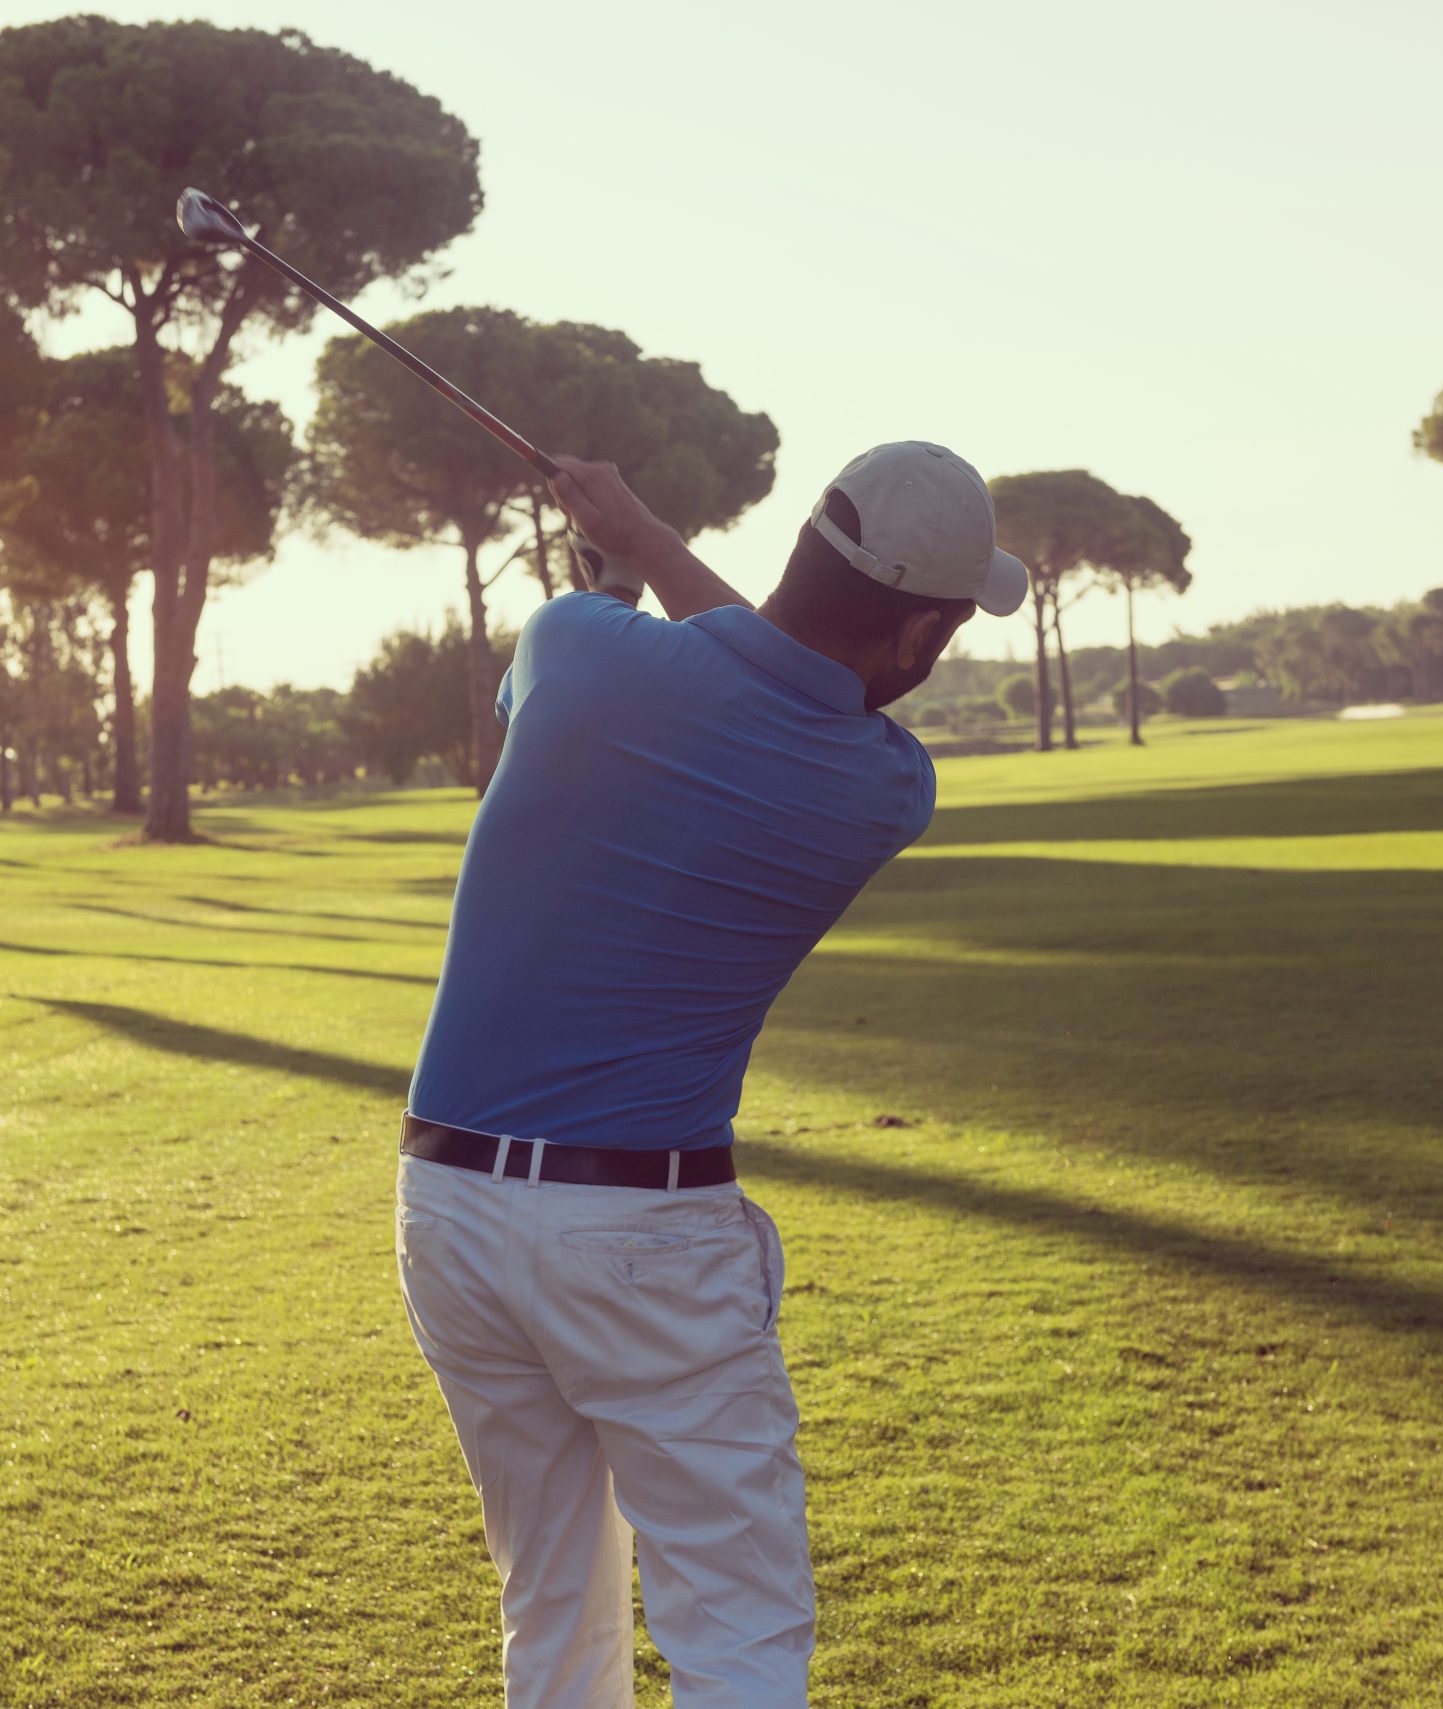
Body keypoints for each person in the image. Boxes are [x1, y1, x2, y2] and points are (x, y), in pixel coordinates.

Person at [396, 442, 1028, 1708]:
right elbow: (773, 675)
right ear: (916, 631)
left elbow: (646, 680)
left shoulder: (575, 644)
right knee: (737, 1624)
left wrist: (623, 551)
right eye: (951, 625)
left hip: (448, 1204)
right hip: (643, 1236)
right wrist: (650, 541)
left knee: (553, 1602)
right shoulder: (883, 785)